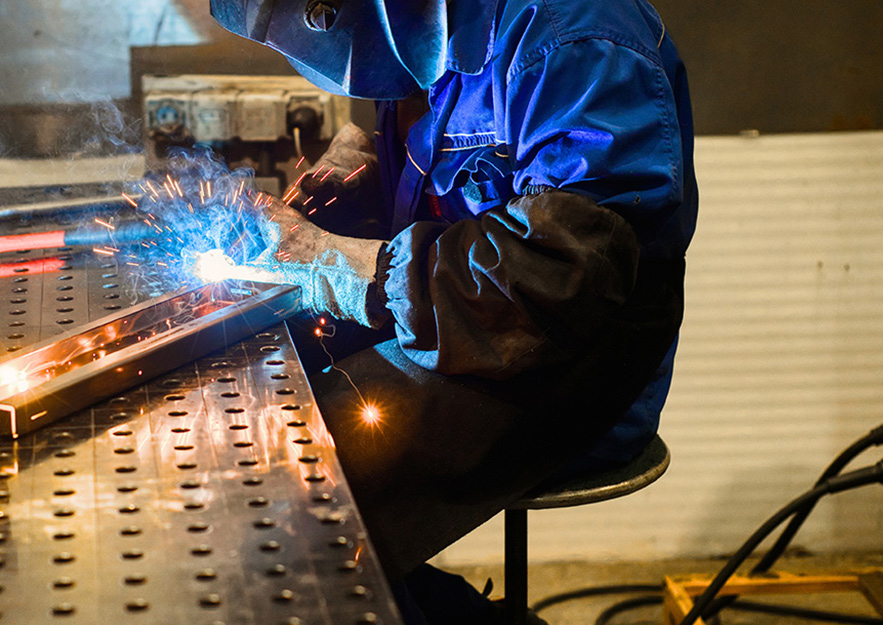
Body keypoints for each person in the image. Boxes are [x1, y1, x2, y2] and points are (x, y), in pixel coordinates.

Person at [210, 0, 697, 621]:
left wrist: (334, 263)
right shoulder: (420, 28)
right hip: (468, 329)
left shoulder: (574, 38)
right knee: (259, 436)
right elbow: (463, 199)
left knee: (290, 497)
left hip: (575, 366)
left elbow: (560, 277)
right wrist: (367, 189)